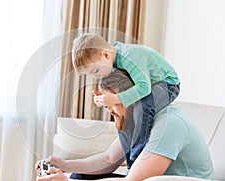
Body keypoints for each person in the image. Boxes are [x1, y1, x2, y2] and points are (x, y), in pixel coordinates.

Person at [36, 69, 214, 181]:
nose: (110, 110)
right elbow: (108, 159)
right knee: (79, 178)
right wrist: (64, 165)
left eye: (113, 102)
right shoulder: (136, 121)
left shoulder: (169, 123)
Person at [71, 33, 180, 162]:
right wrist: (103, 99)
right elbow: (114, 89)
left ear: (105, 55)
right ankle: (130, 163)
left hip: (167, 84)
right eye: (91, 75)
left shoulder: (130, 56)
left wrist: (116, 98)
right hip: (149, 84)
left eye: (95, 71)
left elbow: (144, 88)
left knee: (141, 107)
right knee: (124, 117)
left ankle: (137, 157)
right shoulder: (111, 62)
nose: (96, 76)